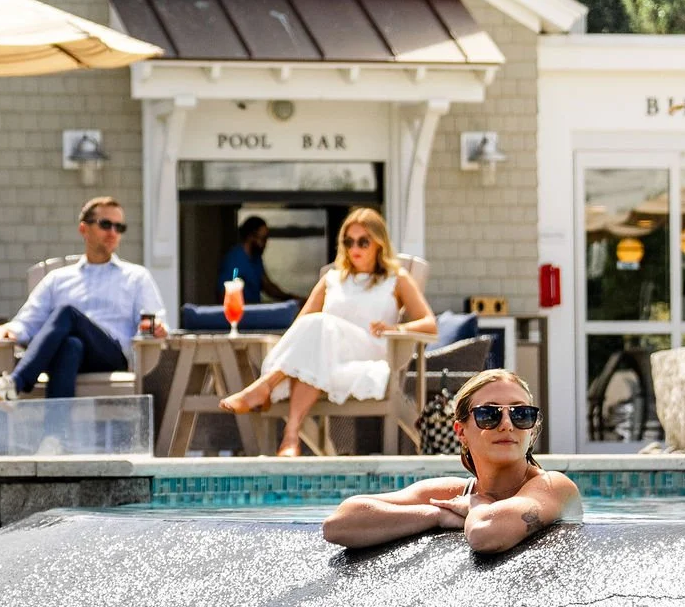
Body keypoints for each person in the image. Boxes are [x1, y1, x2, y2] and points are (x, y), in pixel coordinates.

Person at [218, 207, 435, 456]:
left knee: (321, 324)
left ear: (378, 243)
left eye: (363, 242)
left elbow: (429, 323)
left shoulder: (396, 279)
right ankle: (290, 438)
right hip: (330, 356)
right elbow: (302, 325)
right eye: (349, 241)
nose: (355, 248)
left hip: (370, 351)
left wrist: (395, 328)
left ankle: (264, 387)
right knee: (315, 348)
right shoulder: (332, 279)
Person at [320, 370, 581, 553]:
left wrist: (478, 505)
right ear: (461, 431)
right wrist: (435, 516)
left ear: (532, 429)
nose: (506, 425)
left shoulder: (554, 486)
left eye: (521, 414)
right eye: (488, 414)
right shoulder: (451, 494)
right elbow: (338, 524)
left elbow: (486, 533)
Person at [0, 196, 170, 401]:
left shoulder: (136, 277)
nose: (113, 232)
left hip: (112, 358)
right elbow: (29, 321)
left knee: (66, 313)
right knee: (71, 345)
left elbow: (155, 321)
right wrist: (9, 329)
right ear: (83, 229)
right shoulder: (58, 280)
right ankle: (55, 433)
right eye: (105, 224)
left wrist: (157, 328)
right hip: (71, 357)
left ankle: (15, 383)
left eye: (119, 227)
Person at [218, 216, 294, 303]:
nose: (265, 244)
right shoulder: (234, 260)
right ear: (251, 236)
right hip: (241, 312)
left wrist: (290, 298)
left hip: (255, 311)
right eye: (263, 239)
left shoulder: (256, 258)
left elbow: (267, 286)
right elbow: (223, 295)